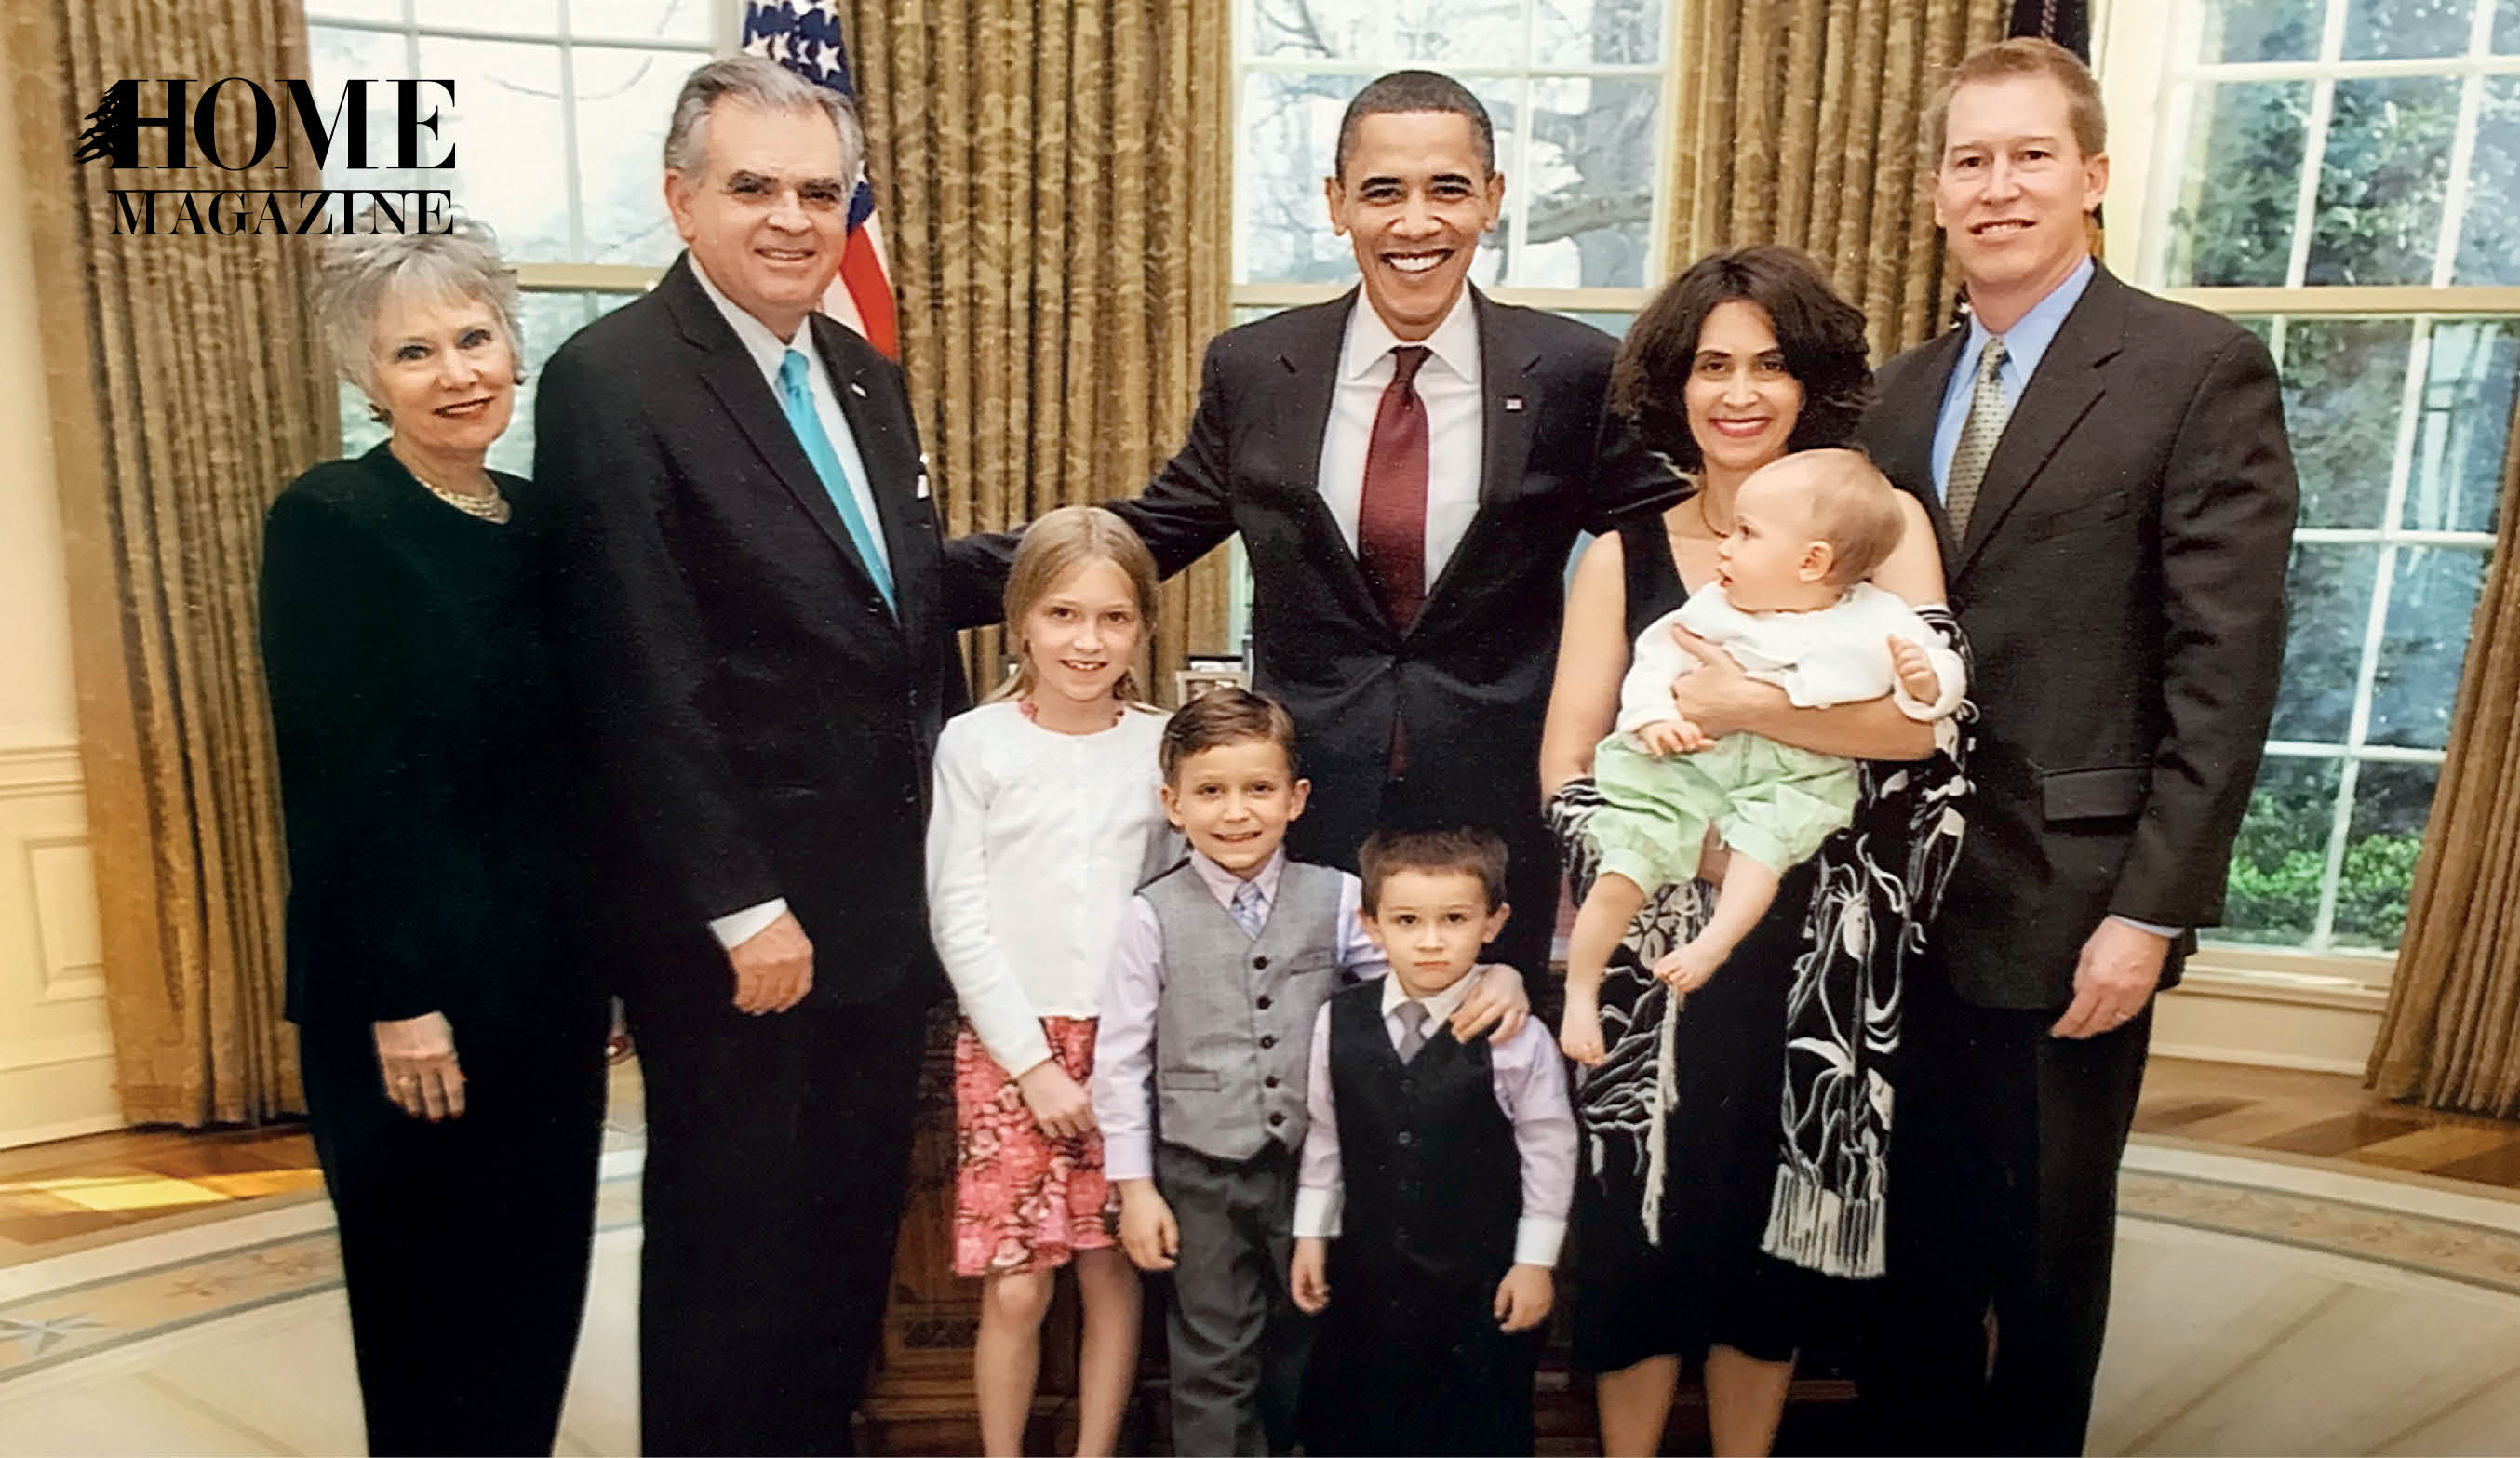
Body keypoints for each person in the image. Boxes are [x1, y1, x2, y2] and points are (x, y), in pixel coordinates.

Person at [951, 69, 1679, 987]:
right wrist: (899, 580)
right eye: (1383, 191)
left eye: (1447, 188)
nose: (1415, 222)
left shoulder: (1574, 369)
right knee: (1298, 1052)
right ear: (1337, 204)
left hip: (1493, 805)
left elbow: (1669, 548)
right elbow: (1149, 532)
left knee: (1483, 1051)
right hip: (1302, 801)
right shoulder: (1257, 367)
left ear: (1492, 199)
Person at [1857, 38, 2296, 1455]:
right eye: (1970, 161)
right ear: (1936, 191)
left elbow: (2223, 669)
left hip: (2077, 896)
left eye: (2030, 156)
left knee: (2042, 1250)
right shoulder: (1898, 393)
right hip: (1898, 901)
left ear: (2092, 175)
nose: (1998, 187)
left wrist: (2151, 910)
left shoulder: (2194, 369)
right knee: (1907, 1252)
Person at [534, 56, 968, 1454]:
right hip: (746, 929)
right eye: (754, 187)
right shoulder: (612, 379)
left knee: (843, 1237)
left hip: (883, 909)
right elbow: (636, 669)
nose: (791, 218)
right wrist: (738, 902)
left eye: (820, 192)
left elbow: (892, 603)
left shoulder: (860, 372)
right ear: (682, 200)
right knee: (731, 1250)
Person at [1534, 244, 1968, 1458]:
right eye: (1712, 365)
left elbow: (1925, 727)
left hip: (1821, 946)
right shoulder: (1620, 551)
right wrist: (1669, 850)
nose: (1739, 392)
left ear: (1811, 381)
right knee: (1640, 1233)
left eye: (1770, 365)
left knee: (1772, 1248)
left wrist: (1742, 710)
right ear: (1674, 384)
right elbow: (1564, 759)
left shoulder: (1883, 530)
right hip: (1654, 947)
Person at [259, 214, 607, 1455]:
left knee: (536, 1294)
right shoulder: (332, 519)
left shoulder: (546, 520)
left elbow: (583, 771)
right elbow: (333, 783)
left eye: (474, 338)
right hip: (408, 1003)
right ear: (368, 377)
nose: (457, 372)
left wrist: (605, 963)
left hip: (548, 985)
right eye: (415, 352)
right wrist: (399, 999)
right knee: (429, 1314)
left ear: (514, 346)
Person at [1091, 689, 1528, 1456]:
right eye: (1211, 791)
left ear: (1295, 799)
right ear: (1173, 804)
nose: (1236, 812)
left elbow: (1415, 976)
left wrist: (1500, 976)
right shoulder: (1149, 916)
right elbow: (1121, 1060)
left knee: (1312, 1340)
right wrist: (1134, 1188)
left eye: (1259, 788)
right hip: (1200, 1175)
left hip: (1314, 1170)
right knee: (1212, 1354)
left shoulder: (1339, 898)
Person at [1561, 450, 1964, 1066]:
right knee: (1626, 864)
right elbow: (1657, 660)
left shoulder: (1878, 617)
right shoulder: (1714, 607)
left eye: (1747, 534)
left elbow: (1941, 682)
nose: (1727, 547)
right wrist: (1655, 717)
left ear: (1812, 561)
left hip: (1794, 777)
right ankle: (1579, 987)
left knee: (1761, 852)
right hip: (1694, 765)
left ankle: (1713, 943)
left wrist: (1924, 681)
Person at [924, 506, 1172, 1458]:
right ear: (1021, 618)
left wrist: (1124, 1053)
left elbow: (1169, 904)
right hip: (1011, 1049)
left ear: (1142, 627)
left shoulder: (1161, 745)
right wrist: (1031, 1065)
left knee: (1111, 1267)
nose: (1087, 641)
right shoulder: (976, 743)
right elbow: (958, 912)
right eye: (1063, 614)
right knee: (1019, 1283)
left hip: (1126, 1046)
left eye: (1113, 618)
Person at [1289, 826, 1576, 1457]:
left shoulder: (1516, 1035)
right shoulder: (1339, 1019)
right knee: (1362, 1425)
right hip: (1369, 1280)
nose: (1430, 940)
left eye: (1454, 919)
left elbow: (1550, 1153)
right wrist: (1310, 1234)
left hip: (1477, 1286)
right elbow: (1326, 1134)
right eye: (1407, 920)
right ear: (1371, 925)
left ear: (1493, 922)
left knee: (1474, 1427)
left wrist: (1535, 1262)